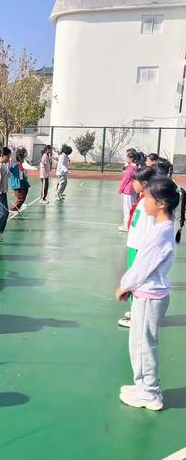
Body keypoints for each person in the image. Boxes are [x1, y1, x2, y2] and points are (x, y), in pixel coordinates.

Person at [115, 176, 186, 411]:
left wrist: (125, 286)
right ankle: (143, 385)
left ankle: (149, 393)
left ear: (162, 204)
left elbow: (143, 266)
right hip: (148, 293)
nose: (144, 201)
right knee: (139, 343)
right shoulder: (161, 228)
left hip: (149, 295)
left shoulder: (160, 233)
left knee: (143, 345)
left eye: (148, 198)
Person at [117, 167, 157, 328]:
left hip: (140, 247)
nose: (132, 183)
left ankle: (138, 316)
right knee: (134, 278)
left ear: (144, 183)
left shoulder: (150, 203)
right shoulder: (143, 199)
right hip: (134, 245)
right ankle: (136, 310)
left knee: (138, 280)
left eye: (135, 180)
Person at [118, 151, 138, 232]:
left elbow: (125, 179)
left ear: (131, 159)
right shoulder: (135, 167)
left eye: (127, 157)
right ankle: (128, 222)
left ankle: (127, 225)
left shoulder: (130, 168)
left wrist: (120, 189)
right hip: (133, 190)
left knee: (127, 208)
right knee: (131, 206)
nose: (126, 159)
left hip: (128, 190)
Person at [9, 147, 30, 212]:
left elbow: (23, 172)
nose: (24, 159)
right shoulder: (15, 165)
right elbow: (10, 169)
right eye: (23, 158)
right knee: (20, 198)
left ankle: (18, 206)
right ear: (20, 158)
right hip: (17, 184)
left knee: (25, 193)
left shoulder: (21, 164)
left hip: (23, 182)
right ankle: (13, 209)